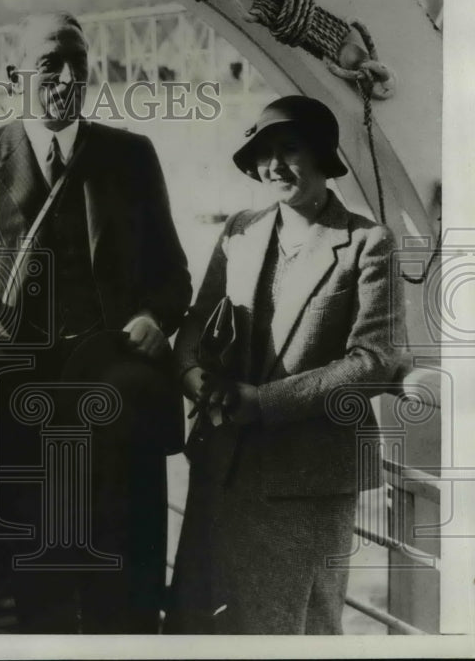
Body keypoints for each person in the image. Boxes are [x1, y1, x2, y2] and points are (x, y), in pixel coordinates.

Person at [0, 12, 192, 632]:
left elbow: (172, 273)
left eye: (79, 67)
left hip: (115, 399)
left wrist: (154, 316)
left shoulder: (129, 156)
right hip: (20, 407)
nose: (67, 79)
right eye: (49, 66)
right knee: (39, 572)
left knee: (128, 572)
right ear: (16, 76)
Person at [165, 95, 404, 634]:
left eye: (289, 150)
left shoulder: (369, 244)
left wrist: (265, 403)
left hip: (307, 481)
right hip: (222, 468)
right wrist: (192, 377)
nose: (274, 166)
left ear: (321, 156)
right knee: (203, 629)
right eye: (264, 154)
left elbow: (376, 361)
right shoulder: (241, 230)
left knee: (295, 630)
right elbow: (197, 323)